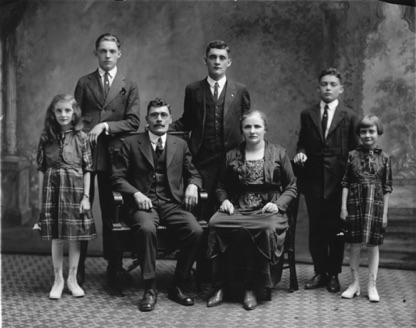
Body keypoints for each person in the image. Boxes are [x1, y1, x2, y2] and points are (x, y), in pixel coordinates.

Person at [111, 98, 204, 312]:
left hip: (172, 203)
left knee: (196, 231)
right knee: (145, 228)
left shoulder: (179, 144)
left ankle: (178, 284)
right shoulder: (132, 143)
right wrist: (135, 194)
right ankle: (150, 287)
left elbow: (194, 174)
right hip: (143, 205)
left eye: (163, 115)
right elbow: (117, 178)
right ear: (147, 119)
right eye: (154, 115)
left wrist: (193, 186)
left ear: (170, 119)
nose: (159, 119)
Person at [206, 110, 297, 310]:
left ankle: (251, 287)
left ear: (265, 129)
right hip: (239, 208)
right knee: (215, 223)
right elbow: (220, 185)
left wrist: (278, 204)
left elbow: (291, 186)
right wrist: (224, 201)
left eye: (257, 126)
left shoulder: (279, 153)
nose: (252, 131)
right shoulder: (232, 154)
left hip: (267, 210)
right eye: (248, 127)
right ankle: (221, 286)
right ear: (242, 130)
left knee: (265, 230)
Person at [74, 33, 140, 285]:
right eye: (103, 51)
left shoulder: (129, 84)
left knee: (114, 213)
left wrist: (105, 126)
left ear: (119, 54)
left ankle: (114, 267)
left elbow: (134, 121)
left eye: (112, 51)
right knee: (82, 210)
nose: (108, 55)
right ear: (96, 53)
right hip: (86, 156)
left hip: (115, 157)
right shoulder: (84, 82)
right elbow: (74, 118)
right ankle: (76, 269)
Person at [294, 68, 359, 293]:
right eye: (324, 84)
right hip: (313, 182)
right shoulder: (307, 113)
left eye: (333, 84)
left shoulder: (349, 116)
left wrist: (351, 182)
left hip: (339, 184)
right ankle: (320, 271)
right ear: (318, 87)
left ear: (340, 89)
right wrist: (301, 152)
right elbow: (302, 141)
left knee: (337, 231)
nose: (328, 88)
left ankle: (333, 274)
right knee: (317, 230)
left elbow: (355, 150)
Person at [170, 40, 250, 221]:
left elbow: (247, 123)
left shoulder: (240, 90)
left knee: (231, 206)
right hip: (202, 160)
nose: (217, 61)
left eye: (222, 58)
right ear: (205, 60)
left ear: (228, 62)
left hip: (232, 159)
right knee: (202, 209)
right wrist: (163, 129)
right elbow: (186, 121)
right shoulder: (193, 90)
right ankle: (202, 249)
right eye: (213, 57)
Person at [36, 94, 97, 299]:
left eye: (67, 110)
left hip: (75, 191)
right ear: (53, 113)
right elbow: (41, 170)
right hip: (53, 191)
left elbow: (88, 169)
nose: (63, 115)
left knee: (74, 238)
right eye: (59, 111)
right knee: (57, 237)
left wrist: (86, 197)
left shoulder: (82, 138)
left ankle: (72, 279)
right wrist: (40, 202)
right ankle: (58, 280)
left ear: (74, 113)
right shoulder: (46, 138)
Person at [340, 115, 392, 302]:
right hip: (355, 204)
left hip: (375, 205)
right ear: (359, 133)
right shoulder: (352, 155)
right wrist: (343, 208)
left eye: (371, 131)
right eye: (363, 131)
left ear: (378, 133)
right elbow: (345, 182)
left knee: (372, 245)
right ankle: (354, 284)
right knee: (354, 245)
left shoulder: (385, 158)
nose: (367, 135)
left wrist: (385, 213)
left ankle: (372, 285)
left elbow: (387, 187)